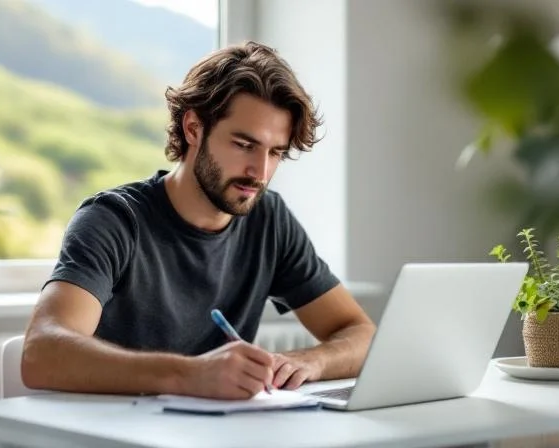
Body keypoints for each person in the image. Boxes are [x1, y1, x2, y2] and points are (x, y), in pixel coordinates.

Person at [21, 41, 376, 400]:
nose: (260, 171)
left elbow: (362, 334)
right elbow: (41, 352)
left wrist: (310, 362)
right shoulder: (113, 220)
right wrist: (188, 374)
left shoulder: (269, 219)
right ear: (193, 128)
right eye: (243, 144)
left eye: (275, 152)